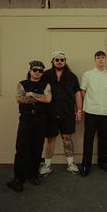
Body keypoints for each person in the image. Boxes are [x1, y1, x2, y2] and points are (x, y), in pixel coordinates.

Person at [7, 61, 51, 192]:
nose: (37, 73)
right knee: (22, 149)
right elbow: (19, 99)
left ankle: (33, 175)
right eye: (35, 70)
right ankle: (18, 179)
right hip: (26, 120)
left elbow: (48, 99)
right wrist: (39, 97)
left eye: (40, 71)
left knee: (37, 149)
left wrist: (30, 95)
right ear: (30, 71)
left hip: (40, 120)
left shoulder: (46, 84)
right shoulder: (23, 84)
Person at [40, 51, 82, 176]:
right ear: (52, 61)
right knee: (50, 139)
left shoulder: (72, 76)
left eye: (62, 60)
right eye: (57, 59)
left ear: (65, 61)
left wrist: (79, 110)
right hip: (50, 113)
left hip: (67, 113)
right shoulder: (46, 75)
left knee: (67, 138)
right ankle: (47, 165)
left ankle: (70, 163)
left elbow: (77, 94)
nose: (59, 62)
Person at [80, 51, 107, 176]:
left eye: (103, 57)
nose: (100, 60)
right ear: (94, 60)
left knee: (103, 139)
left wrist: (104, 102)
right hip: (90, 111)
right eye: (98, 57)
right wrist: (91, 102)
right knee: (88, 139)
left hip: (105, 112)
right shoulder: (87, 74)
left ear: (105, 60)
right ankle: (86, 165)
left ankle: (102, 163)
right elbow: (83, 91)